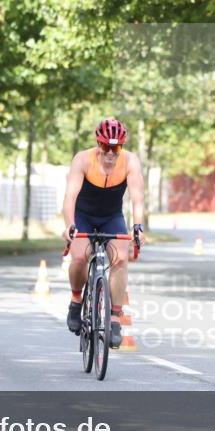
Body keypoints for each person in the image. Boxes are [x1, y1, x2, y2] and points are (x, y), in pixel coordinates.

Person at [61, 118, 146, 348]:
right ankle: (76, 301)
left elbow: (137, 199)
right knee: (79, 257)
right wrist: (70, 225)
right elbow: (69, 198)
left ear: (122, 146)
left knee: (120, 259)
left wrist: (138, 227)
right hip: (84, 217)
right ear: (98, 144)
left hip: (111, 217)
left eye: (116, 147)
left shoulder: (130, 161)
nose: (110, 152)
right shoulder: (82, 160)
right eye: (106, 147)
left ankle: (115, 318)